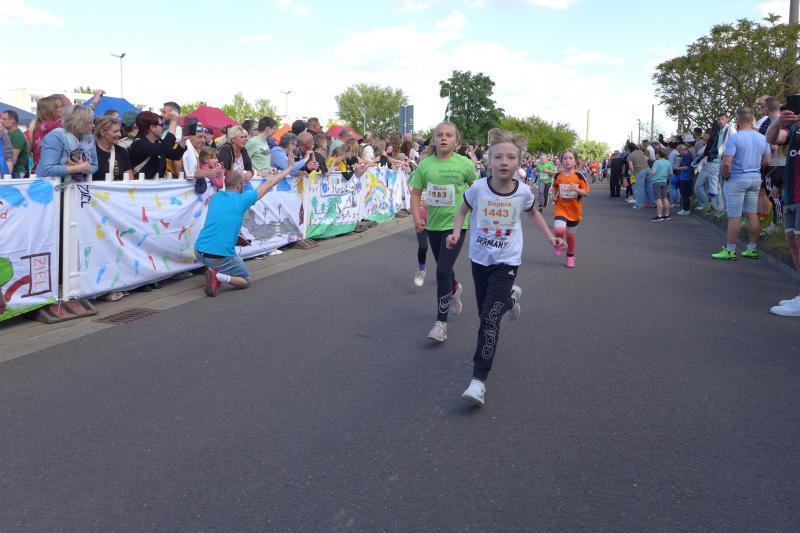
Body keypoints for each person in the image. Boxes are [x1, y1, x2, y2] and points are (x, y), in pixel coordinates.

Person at [445, 128, 565, 406]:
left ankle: (478, 381)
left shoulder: (523, 192)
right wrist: (455, 232)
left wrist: (550, 238)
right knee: (485, 312)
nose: (504, 162)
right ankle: (509, 300)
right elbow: (462, 211)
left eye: (511, 157)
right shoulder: (478, 188)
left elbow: (533, 213)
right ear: (489, 160)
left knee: (489, 319)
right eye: (498, 156)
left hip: (507, 262)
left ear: (519, 162)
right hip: (479, 259)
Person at [409, 122, 478, 342]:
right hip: (433, 225)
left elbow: (478, 189)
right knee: (444, 268)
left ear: (456, 141)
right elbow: (415, 193)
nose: (444, 138)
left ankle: (441, 323)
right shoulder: (425, 165)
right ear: (434, 139)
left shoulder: (464, 164)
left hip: (457, 225)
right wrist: (417, 218)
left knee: (442, 271)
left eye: (449, 135)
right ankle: (454, 288)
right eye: (440, 135)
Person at [196, 168, 293, 297]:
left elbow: (221, 223)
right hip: (217, 256)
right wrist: (289, 167)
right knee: (245, 280)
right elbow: (270, 183)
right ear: (240, 186)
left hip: (199, 251)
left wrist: (236, 239)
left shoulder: (215, 197)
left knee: (219, 251)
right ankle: (218, 276)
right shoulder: (242, 199)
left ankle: (213, 270)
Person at [712, 107, 770, 260]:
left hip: (737, 179)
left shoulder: (735, 138)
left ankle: (730, 250)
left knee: (734, 216)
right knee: (752, 214)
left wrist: (726, 177)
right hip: (755, 178)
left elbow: (726, 163)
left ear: (738, 119)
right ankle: (752, 249)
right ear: (752, 120)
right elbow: (767, 160)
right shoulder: (762, 138)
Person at [765, 105, 800, 316]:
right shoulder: (794, 129)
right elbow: (771, 138)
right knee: (793, 242)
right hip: (792, 192)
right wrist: (779, 122)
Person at [550, 148, 590, 268]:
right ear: (561, 161)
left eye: (570, 158)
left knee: (571, 236)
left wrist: (577, 189)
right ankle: (559, 244)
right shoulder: (558, 175)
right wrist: (553, 195)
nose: (567, 160)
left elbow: (586, 193)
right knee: (559, 230)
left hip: (574, 210)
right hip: (561, 207)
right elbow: (555, 187)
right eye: (565, 158)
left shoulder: (579, 176)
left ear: (575, 161)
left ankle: (570, 256)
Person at [36, 106, 98, 180]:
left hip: (78, 186)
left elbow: (95, 165)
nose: (94, 126)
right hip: (53, 186)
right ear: (79, 122)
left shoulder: (90, 138)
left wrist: (87, 168)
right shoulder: (56, 136)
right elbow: (46, 170)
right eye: (90, 122)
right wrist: (77, 168)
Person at [129, 111, 187, 179]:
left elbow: (175, 156)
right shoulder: (139, 144)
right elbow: (165, 147)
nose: (163, 128)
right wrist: (173, 121)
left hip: (156, 184)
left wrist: (183, 139)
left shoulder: (158, 141)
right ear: (152, 127)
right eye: (161, 125)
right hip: (140, 185)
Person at [92, 115, 132, 181]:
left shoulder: (122, 151)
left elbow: (130, 180)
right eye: (115, 131)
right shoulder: (90, 151)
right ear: (102, 132)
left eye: (119, 131)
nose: (119, 134)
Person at [1, 110, 29, 178]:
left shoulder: (17, 135)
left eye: (4, 119)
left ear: (13, 121)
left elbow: (13, 159)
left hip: (17, 174)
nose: (2, 121)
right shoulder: (7, 134)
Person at [650, 147, 672, 221]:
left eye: (656, 154)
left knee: (658, 199)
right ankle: (667, 215)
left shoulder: (656, 162)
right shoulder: (668, 162)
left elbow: (653, 172)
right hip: (664, 181)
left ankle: (659, 216)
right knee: (665, 198)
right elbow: (671, 173)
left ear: (659, 154)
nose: (655, 155)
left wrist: (650, 171)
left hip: (656, 181)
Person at [626, 142, 649, 209]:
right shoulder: (640, 151)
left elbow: (631, 166)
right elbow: (647, 158)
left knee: (639, 188)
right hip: (647, 169)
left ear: (629, 148)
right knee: (648, 187)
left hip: (639, 171)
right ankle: (652, 203)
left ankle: (639, 204)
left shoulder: (630, 155)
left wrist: (634, 173)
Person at [675, 144, 694, 215]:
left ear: (682, 150)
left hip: (686, 178)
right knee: (684, 194)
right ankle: (685, 209)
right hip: (683, 177)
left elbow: (686, 167)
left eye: (679, 151)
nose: (679, 153)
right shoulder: (685, 156)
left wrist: (677, 168)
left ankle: (686, 209)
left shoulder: (688, 156)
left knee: (685, 194)